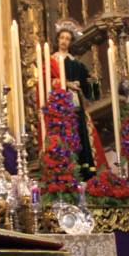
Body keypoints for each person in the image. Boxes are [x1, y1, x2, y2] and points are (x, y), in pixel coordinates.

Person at [49, 21, 107, 180]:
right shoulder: (50, 61)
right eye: (62, 37)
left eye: (68, 38)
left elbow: (90, 89)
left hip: (77, 106)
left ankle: (83, 172)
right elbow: (46, 84)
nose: (64, 41)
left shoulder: (77, 64)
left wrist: (94, 83)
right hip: (60, 108)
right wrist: (65, 84)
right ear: (57, 39)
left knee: (81, 137)